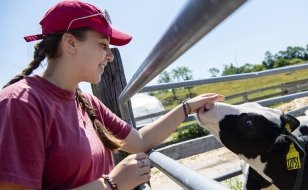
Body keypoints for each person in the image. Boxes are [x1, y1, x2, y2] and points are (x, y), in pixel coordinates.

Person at [0, 1, 225, 189]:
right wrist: (111, 184)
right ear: (70, 43)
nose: (110, 56)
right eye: (103, 45)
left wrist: (186, 107)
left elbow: (140, 141)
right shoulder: (21, 103)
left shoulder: (86, 102)